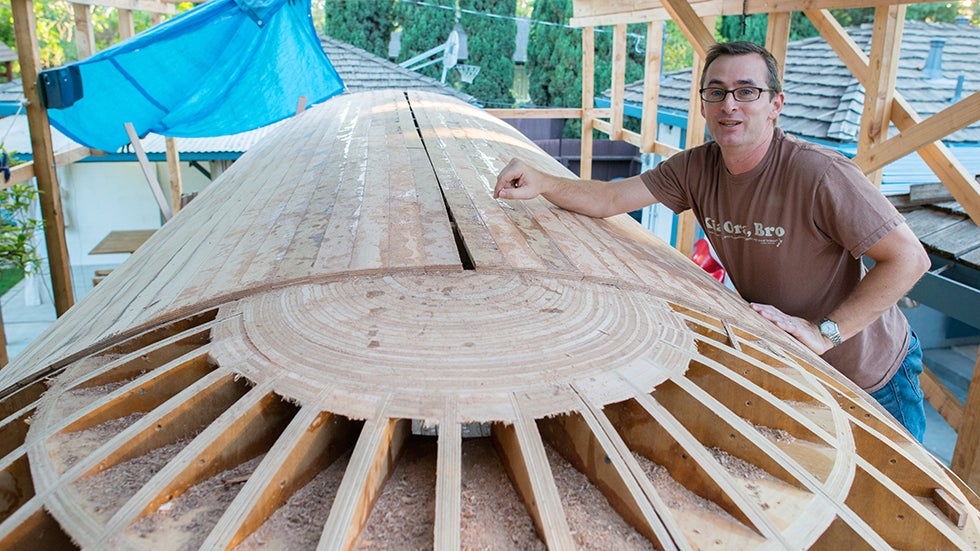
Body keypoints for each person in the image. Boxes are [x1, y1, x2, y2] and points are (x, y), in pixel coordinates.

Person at [493, 41, 931, 441]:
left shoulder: (819, 174)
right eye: (716, 92)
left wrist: (824, 334)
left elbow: (909, 259)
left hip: (872, 375)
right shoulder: (696, 169)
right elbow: (610, 197)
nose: (729, 105)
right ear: (704, 103)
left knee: (908, 515)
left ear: (775, 104)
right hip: (801, 372)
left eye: (746, 91)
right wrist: (542, 181)